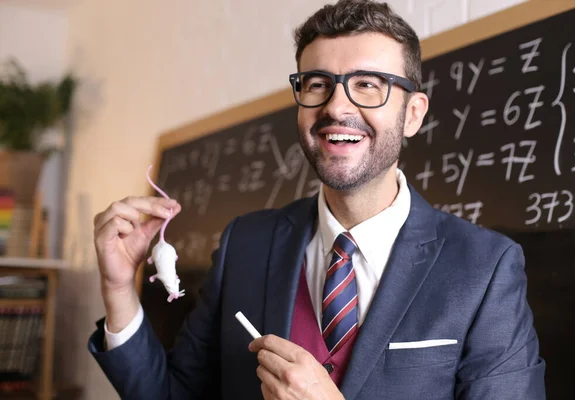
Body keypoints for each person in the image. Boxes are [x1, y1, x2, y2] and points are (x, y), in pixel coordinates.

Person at [89, 0, 546, 398]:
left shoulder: (485, 268)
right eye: (316, 84)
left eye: (368, 84)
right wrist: (116, 289)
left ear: (413, 114)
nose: (336, 107)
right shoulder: (245, 244)